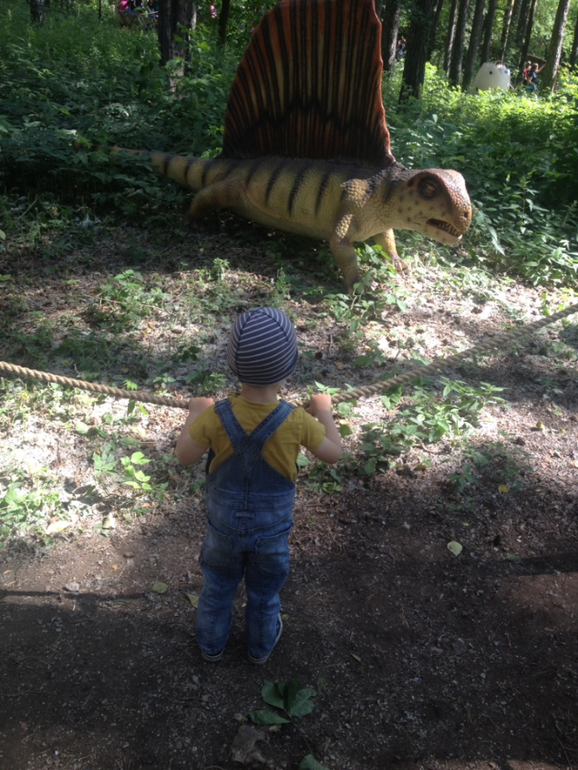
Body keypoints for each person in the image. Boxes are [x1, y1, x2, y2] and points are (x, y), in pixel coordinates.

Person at [176, 307, 342, 664]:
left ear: (233, 364)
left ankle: (211, 645)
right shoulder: (297, 420)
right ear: (290, 365)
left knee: (218, 587)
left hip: (223, 529)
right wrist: (324, 410)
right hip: (272, 533)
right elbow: (333, 453)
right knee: (265, 593)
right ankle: (260, 648)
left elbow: (184, 456)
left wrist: (195, 411)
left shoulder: (215, 415)